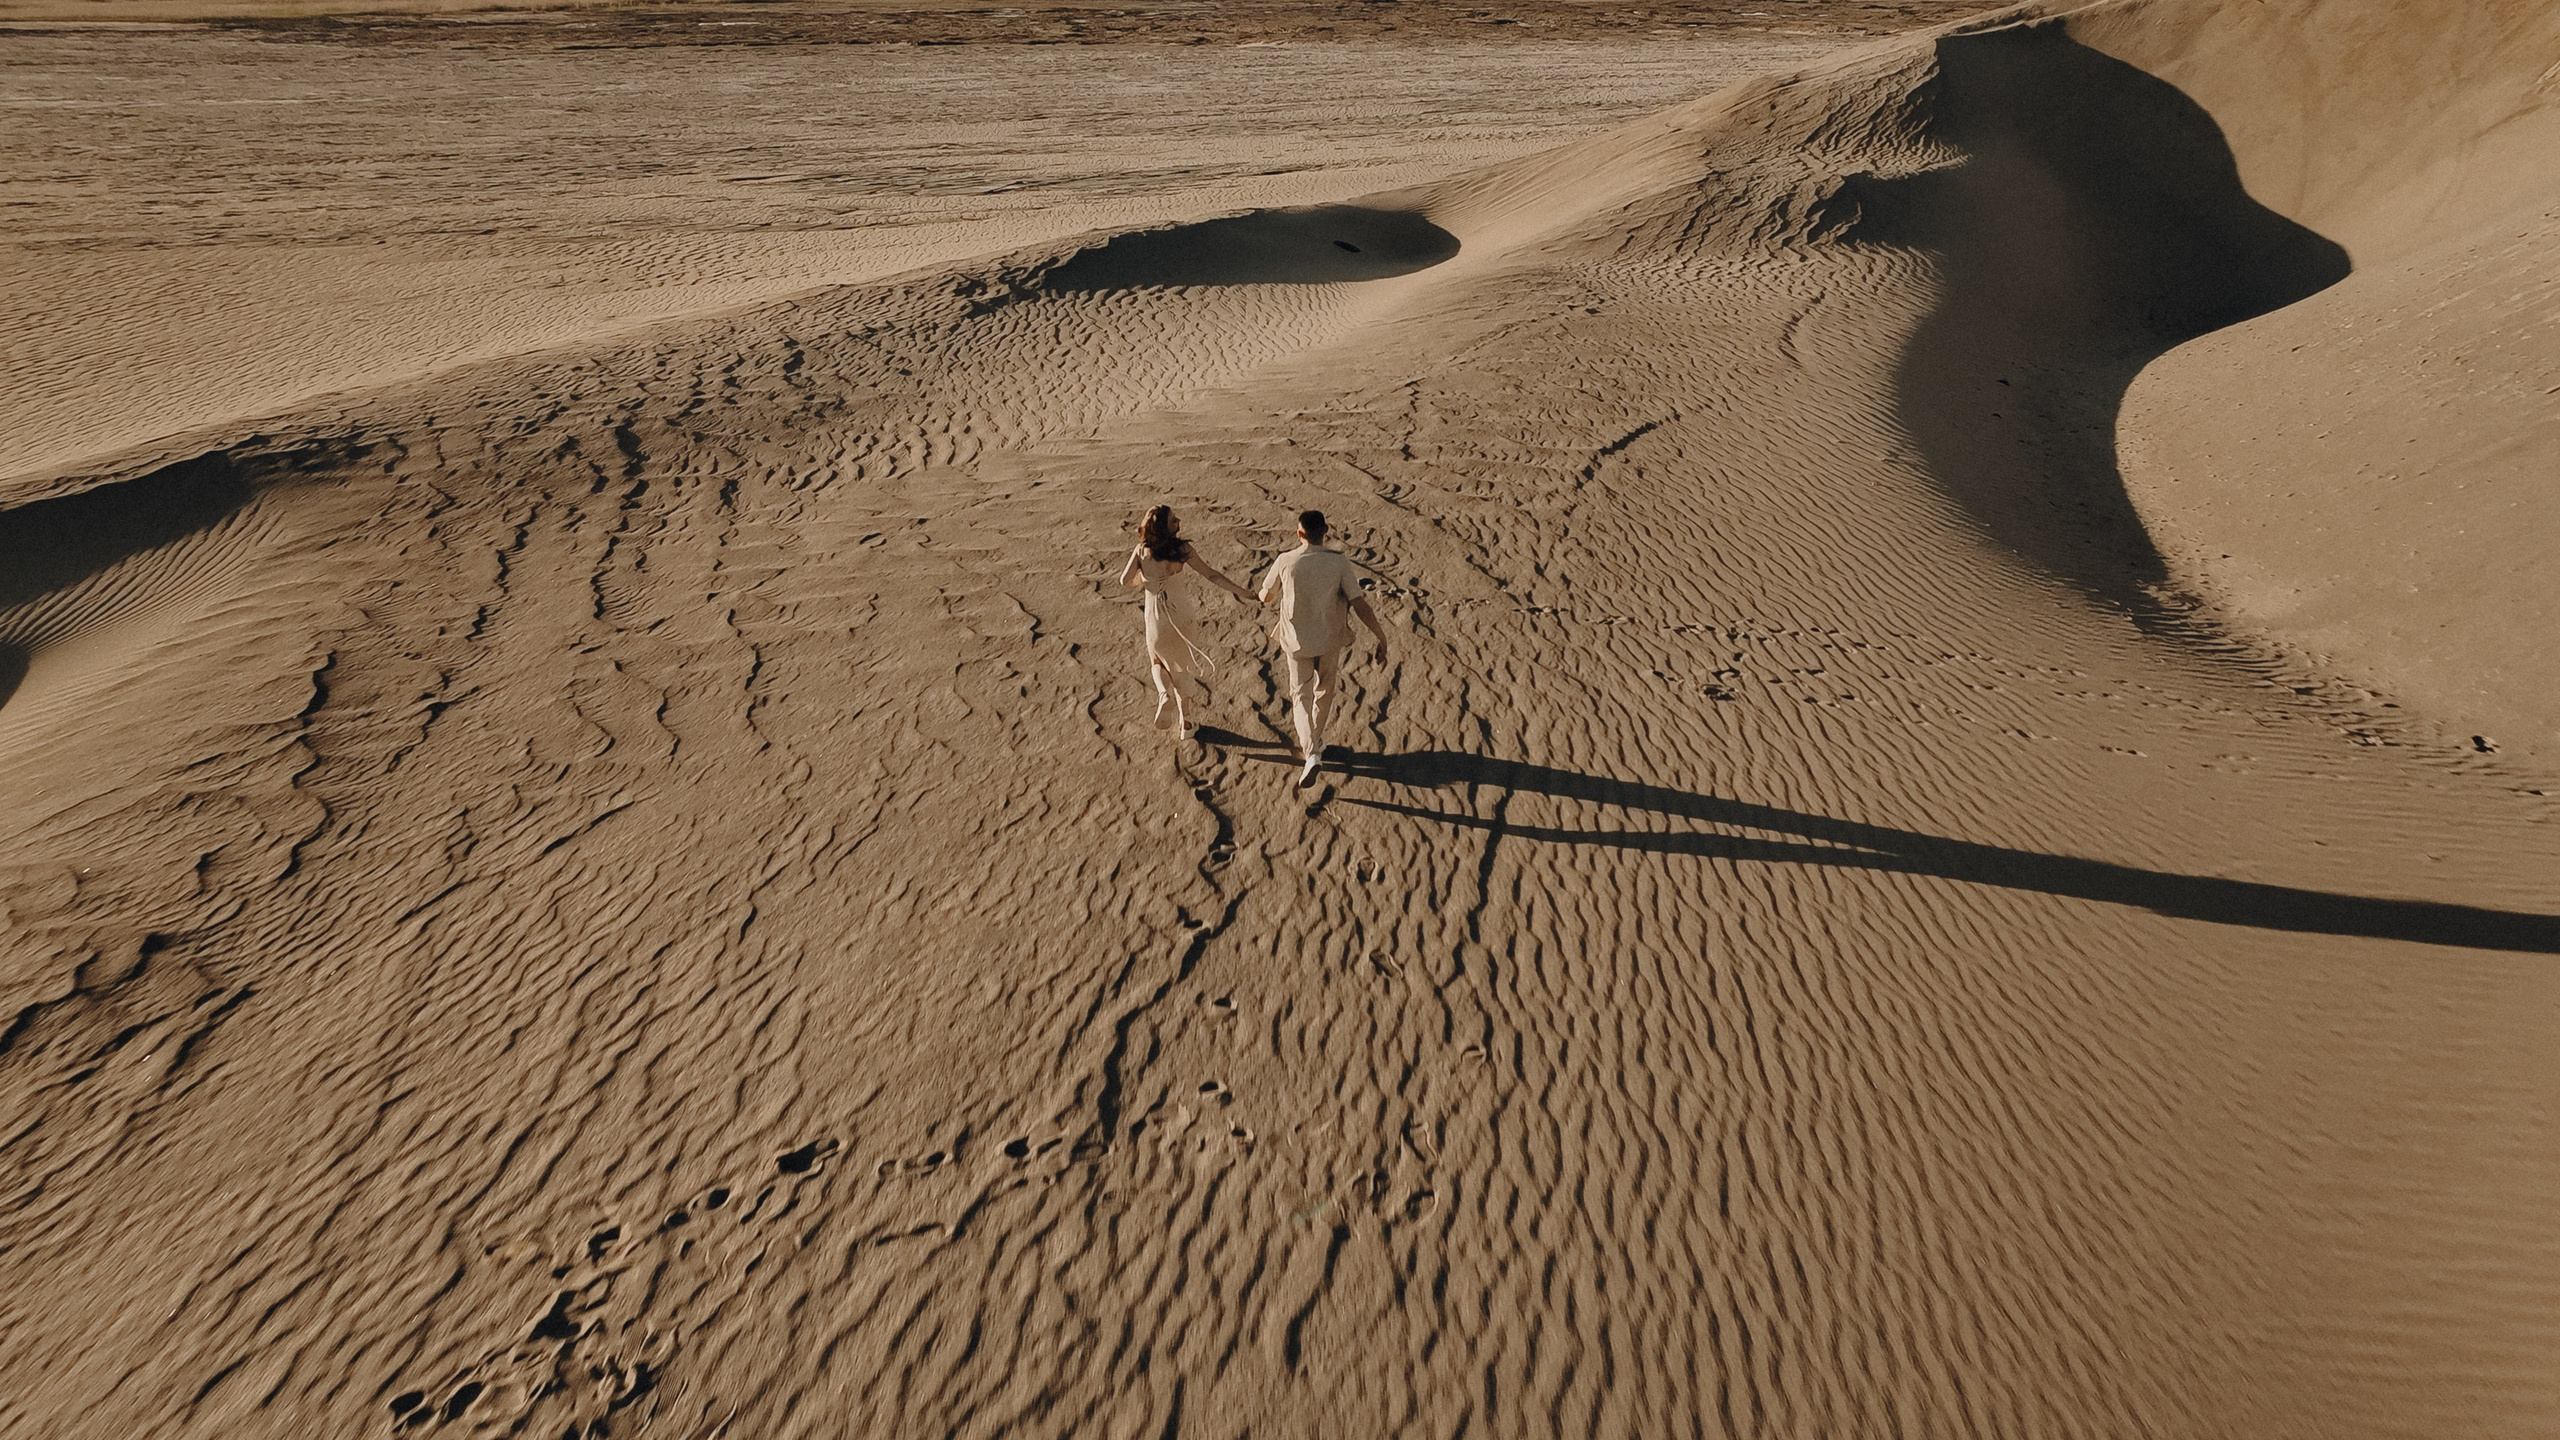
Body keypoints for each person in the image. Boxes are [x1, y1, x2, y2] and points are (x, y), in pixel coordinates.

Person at [1257, 509, 1389, 788]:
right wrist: (1381, 636)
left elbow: (1266, 596)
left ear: (1299, 533)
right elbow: (1359, 603)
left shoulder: (1285, 560)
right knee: (1324, 692)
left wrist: (1263, 594)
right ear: (1325, 531)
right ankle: (1314, 743)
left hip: (1296, 642)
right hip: (1330, 640)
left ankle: (1312, 752)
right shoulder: (1338, 562)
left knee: (1300, 697)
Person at [1119, 504, 1255, 739]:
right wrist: (1243, 592)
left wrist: (1145, 579)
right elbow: (1212, 574)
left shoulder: (1141, 550)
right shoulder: (1182, 549)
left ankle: (1163, 694)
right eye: (1173, 520)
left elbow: (1124, 580)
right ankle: (1186, 723)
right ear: (1165, 527)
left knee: (1157, 661)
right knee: (1183, 665)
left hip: (1156, 616)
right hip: (1182, 614)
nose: (1179, 520)